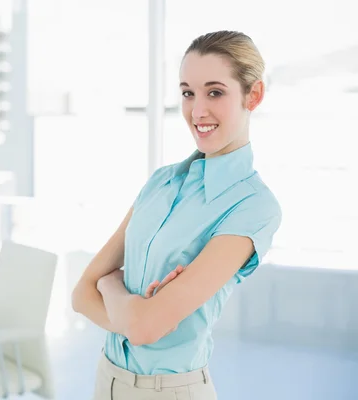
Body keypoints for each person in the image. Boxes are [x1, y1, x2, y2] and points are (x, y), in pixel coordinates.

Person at [71, 30, 282, 400]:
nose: (197, 111)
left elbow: (146, 326)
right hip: (107, 378)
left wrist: (110, 286)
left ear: (254, 95)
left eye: (215, 92)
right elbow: (81, 294)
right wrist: (128, 309)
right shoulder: (161, 182)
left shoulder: (253, 207)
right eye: (188, 93)